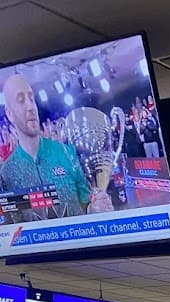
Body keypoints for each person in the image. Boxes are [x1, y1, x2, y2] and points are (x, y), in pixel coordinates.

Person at [0, 73, 112, 217]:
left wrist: (96, 208)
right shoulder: (7, 173)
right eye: (21, 100)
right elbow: (11, 229)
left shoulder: (66, 153)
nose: (30, 107)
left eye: (31, 98)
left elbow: (86, 202)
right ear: (9, 114)